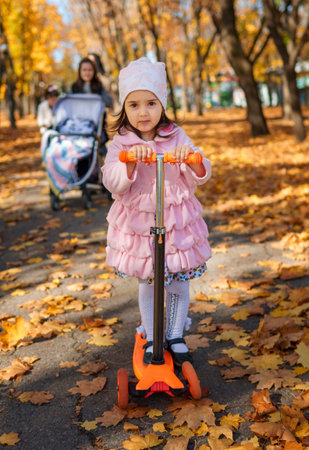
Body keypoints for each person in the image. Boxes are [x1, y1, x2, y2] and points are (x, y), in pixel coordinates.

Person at [102, 57, 211, 367]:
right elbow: (110, 179)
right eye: (134, 105)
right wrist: (129, 162)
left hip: (175, 223)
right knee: (150, 281)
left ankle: (175, 334)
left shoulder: (176, 135)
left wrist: (190, 159)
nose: (143, 112)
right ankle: (152, 335)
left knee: (177, 280)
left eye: (151, 103)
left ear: (162, 104)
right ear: (125, 109)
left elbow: (201, 169)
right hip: (140, 224)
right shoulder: (122, 140)